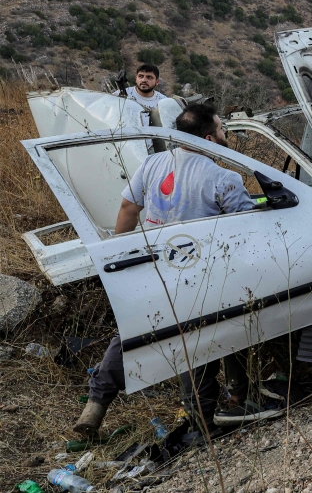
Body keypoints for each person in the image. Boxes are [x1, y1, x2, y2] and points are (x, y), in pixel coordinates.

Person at [73, 103, 279, 437]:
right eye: (222, 130)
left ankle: (94, 409)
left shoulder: (154, 163)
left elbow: (128, 208)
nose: (225, 136)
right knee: (201, 341)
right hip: (198, 271)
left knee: (131, 335)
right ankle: (206, 421)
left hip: (151, 265)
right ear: (209, 137)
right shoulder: (223, 177)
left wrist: (121, 257)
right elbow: (246, 229)